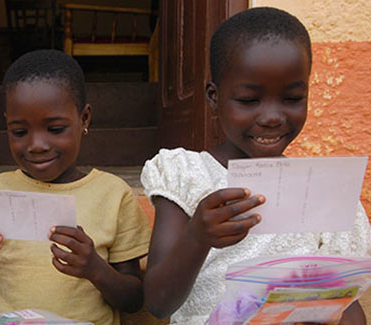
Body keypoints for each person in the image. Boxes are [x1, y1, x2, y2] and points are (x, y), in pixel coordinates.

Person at [141, 7, 371, 325]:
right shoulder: (187, 175)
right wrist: (198, 237)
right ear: (213, 97)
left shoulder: (320, 194)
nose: (273, 116)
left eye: (292, 98)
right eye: (249, 100)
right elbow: (158, 303)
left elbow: (347, 306)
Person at [0, 49, 151, 325]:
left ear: (84, 119)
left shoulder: (113, 194)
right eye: (19, 132)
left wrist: (95, 269)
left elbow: (134, 300)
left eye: (55, 129)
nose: (36, 145)